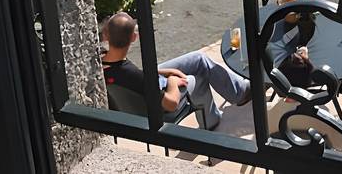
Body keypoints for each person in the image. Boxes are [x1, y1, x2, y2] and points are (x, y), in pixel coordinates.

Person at [100, 11, 250, 131]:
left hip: (144, 91)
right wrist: (172, 80)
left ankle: (239, 89)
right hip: (161, 104)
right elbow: (171, 104)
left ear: (106, 35)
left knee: (198, 58)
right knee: (199, 76)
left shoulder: (102, 65)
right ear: (134, 38)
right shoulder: (132, 75)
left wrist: (166, 72)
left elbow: (136, 77)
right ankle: (213, 119)